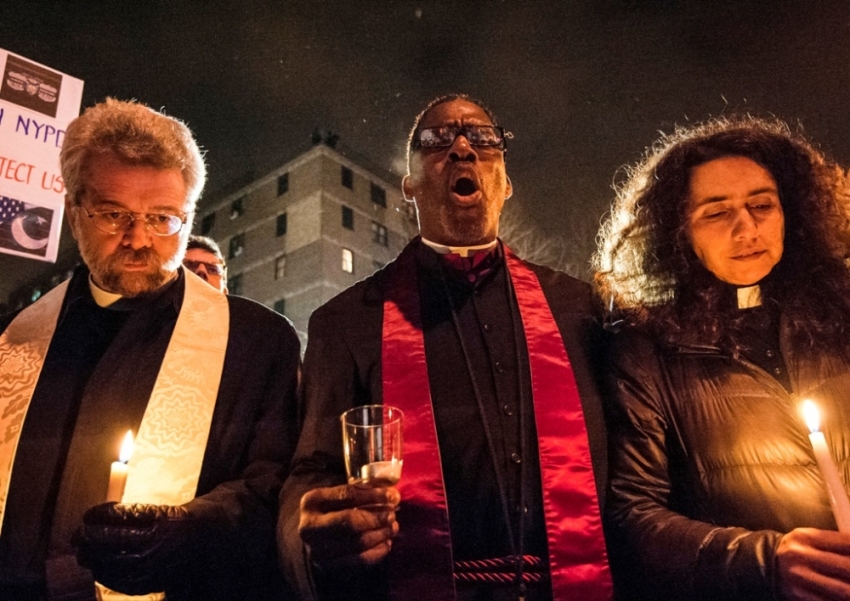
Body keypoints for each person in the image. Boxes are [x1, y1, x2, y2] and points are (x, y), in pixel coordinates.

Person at [278, 94, 613, 601]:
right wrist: (315, 537)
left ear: (505, 181)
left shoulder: (580, 307)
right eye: (436, 140)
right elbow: (310, 475)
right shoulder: (345, 322)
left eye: (482, 138)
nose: (461, 148)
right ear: (408, 184)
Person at [0, 98, 300, 601]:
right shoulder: (14, 338)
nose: (139, 239)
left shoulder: (257, 341)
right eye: (113, 213)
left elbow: (273, 484)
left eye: (163, 218)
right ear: (74, 211)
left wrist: (191, 529)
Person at [594, 116, 850, 600]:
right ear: (677, 230)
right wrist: (765, 562)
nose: (746, 228)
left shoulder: (841, 316)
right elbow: (634, 512)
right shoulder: (648, 348)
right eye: (716, 213)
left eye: (762, 205)